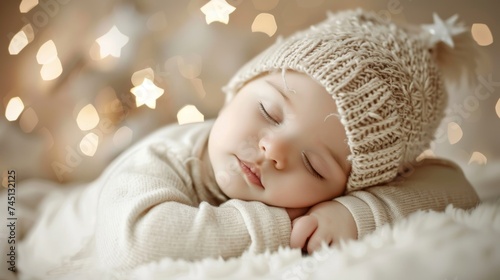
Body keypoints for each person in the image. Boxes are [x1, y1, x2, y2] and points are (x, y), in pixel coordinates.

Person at [0, 8, 480, 280]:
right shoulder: (167, 155)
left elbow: (456, 189)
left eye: (314, 166)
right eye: (269, 111)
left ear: (349, 186)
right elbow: (138, 247)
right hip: (31, 230)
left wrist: (357, 215)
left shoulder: (343, 197)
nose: (274, 149)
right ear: (238, 89)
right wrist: (286, 221)